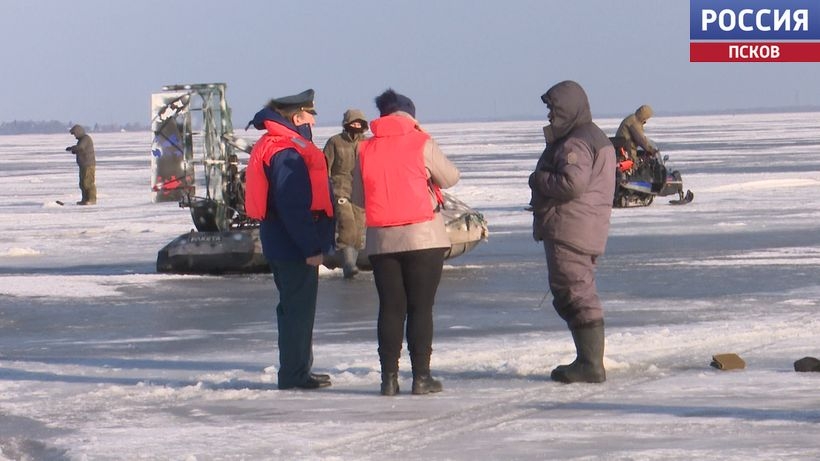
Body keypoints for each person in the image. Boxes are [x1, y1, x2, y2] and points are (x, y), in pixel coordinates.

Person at [352, 89, 460, 396]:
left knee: (390, 308)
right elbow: (450, 177)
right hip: (423, 236)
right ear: (410, 115)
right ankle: (421, 378)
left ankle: (388, 379)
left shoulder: (365, 149)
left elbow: (359, 198)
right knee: (420, 308)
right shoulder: (421, 142)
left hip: (382, 240)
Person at [244, 89, 336, 390]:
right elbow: (291, 204)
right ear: (298, 117)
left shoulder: (275, 144)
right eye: (311, 114)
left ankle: (297, 369)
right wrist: (310, 247)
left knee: (293, 308)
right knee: (298, 310)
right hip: (293, 246)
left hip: (281, 242)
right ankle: (294, 374)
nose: (313, 120)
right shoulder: (286, 151)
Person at [528, 80, 615, 384]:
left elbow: (572, 184)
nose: (550, 115)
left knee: (575, 293)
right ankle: (587, 360)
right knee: (576, 290)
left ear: (568, 107)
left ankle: (590, 364)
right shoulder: (592, 136)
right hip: (584, 225)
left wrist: (538, 180)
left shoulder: (575, 142)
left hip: (571, 226)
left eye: (553, 108)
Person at [323, 109, 369, 278]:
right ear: (347, 123)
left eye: (359, 123)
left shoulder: (367, 143)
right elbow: (324, 166)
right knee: (347, 223)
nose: (356, 126)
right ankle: (348, 264)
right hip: (340, 188)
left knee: (358, 228)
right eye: (353, 122)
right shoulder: (335, 142)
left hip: (360, 190)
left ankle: (352, 265)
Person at [65, 124, 96, 205]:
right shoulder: (81, 140)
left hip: (88, 165)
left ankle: (92, 199)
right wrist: (73, 150)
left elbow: (81, 147)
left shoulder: (86, 138)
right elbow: (80, 150)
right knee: (82, 183)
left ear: (78, 132)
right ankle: (85, 199)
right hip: (83, 165)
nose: (74, 136)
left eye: (74, 134)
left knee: (88, 182)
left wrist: (72, 148)